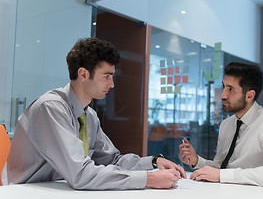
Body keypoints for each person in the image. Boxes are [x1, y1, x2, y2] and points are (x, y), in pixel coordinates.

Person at [2, 37, 185, 190]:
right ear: (83, 74)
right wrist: (149, 179)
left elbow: (112, 159)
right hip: (23, 196)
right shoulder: (51, 108)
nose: (112, 84)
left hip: (59, 192)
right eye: (106, 76)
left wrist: (153, 162)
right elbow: (80, 174)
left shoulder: (88, 116)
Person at [179, 62, 263, 186]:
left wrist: (222, 175)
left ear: (249, 95)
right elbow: (221, 167)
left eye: (231, 89)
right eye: (223, 87)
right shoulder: (226, 124)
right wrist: (197, 161)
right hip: (227, 193)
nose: (222, 95)